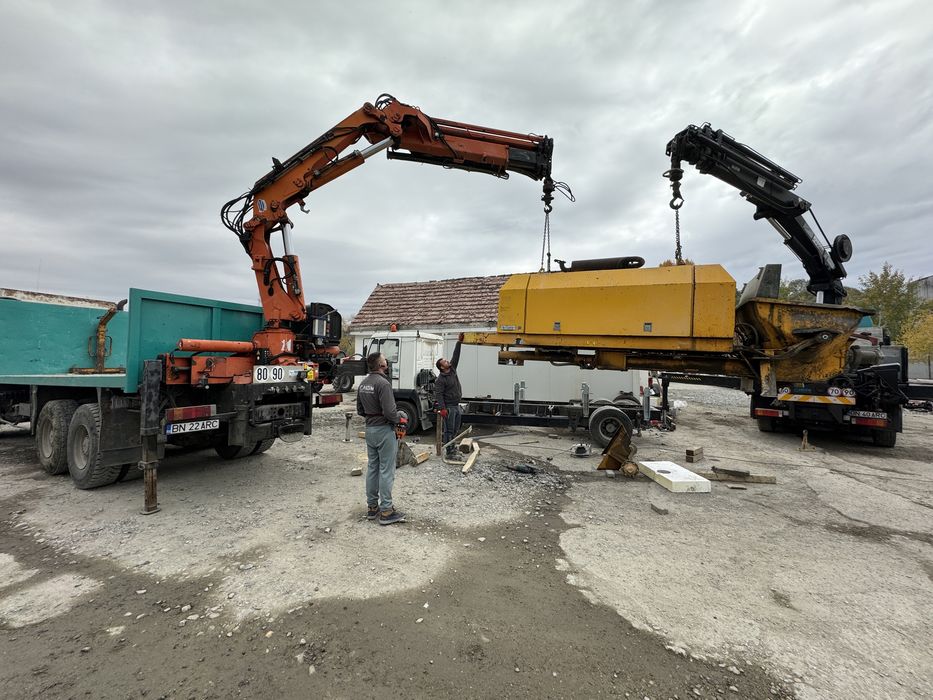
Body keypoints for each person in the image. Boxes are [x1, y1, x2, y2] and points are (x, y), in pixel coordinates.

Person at [356, 352, 406, 525]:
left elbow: (360, 410)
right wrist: (400, 417)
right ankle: (386, 511)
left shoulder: (363, 384)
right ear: (381, 365)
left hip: (370, 430)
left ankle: (372, 507)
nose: (387, 362)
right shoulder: (383, 384)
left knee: (373, 468)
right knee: (386, 470)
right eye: (385, 360)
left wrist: (372, 416)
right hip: (384, 430)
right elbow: (390, 413)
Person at [435, 333, 464, 459]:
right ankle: (449, 452)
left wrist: (459, 342)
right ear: (442, 367)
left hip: (456, 406)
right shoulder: (440, 380)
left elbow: (456, 356)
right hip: (449, 407)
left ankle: (453, 447)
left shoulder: (452, 370)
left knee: (456, 428)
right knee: (449, 430)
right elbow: (439, 394)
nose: (448, 361)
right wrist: (443, 409)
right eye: (445, 362)